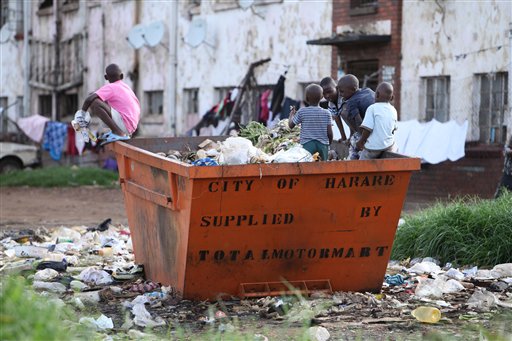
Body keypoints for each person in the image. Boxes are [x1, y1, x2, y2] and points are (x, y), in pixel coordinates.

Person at [79, 63, 140, 145]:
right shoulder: (126, 87)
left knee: (95, 102)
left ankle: (117, 132)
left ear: (106, 77)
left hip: (125, 124)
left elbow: (89, 99)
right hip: (131, 126)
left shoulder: (111, 87)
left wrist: (82, 116)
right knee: (101, 99)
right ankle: (116, 132)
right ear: (122, 76)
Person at [288, 84, 333, 161]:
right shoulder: (327, 113)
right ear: (322, 97)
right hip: (322, 144)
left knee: (307, 165)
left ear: (306, 98)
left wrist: (291, 115)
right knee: (323, 166)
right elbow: (330, 133)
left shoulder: (302, 111)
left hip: (307, 144)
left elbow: (291, 125)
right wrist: (329, 144)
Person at [336, 74, 375, 160]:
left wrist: (361, 140)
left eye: (342, 91)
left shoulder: (352, 102)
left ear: (353, 89)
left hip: (369, 131)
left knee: (344, 112)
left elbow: (358, 121)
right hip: (379, 126)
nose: (340, 94)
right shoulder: (367, 90)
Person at [356, 82, 398, 160]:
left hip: (373, 148)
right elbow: (393, 130)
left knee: (362, 162)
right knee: (394, 145)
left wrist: (361, 141)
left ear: (376, 95)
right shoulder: (393, 110)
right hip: (388, 146)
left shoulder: (372, 108)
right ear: (392, 98)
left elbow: (367, 129)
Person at [320, 77, 348, 142]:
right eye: (324, 93)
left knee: (344, 112)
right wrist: (343, 137)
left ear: (337, 88)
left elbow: (352, 117)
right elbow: (337, 119)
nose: (327, 96)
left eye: (329, 92)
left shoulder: (344, 97)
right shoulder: (331, 104)